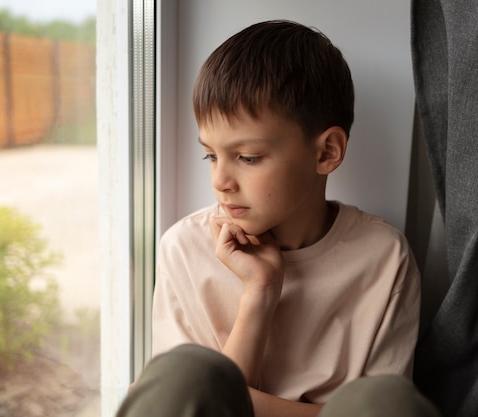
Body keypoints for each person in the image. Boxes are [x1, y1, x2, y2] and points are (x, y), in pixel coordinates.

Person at [117, 20, 440, 417]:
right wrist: (260, 293)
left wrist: (245, 404)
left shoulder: (384, 258)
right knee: (187, 375)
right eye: (211, 155)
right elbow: (189, 396)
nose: (220, 181)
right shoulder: (184, 248)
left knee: (387, 403)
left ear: (327, 153)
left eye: (248, 157)